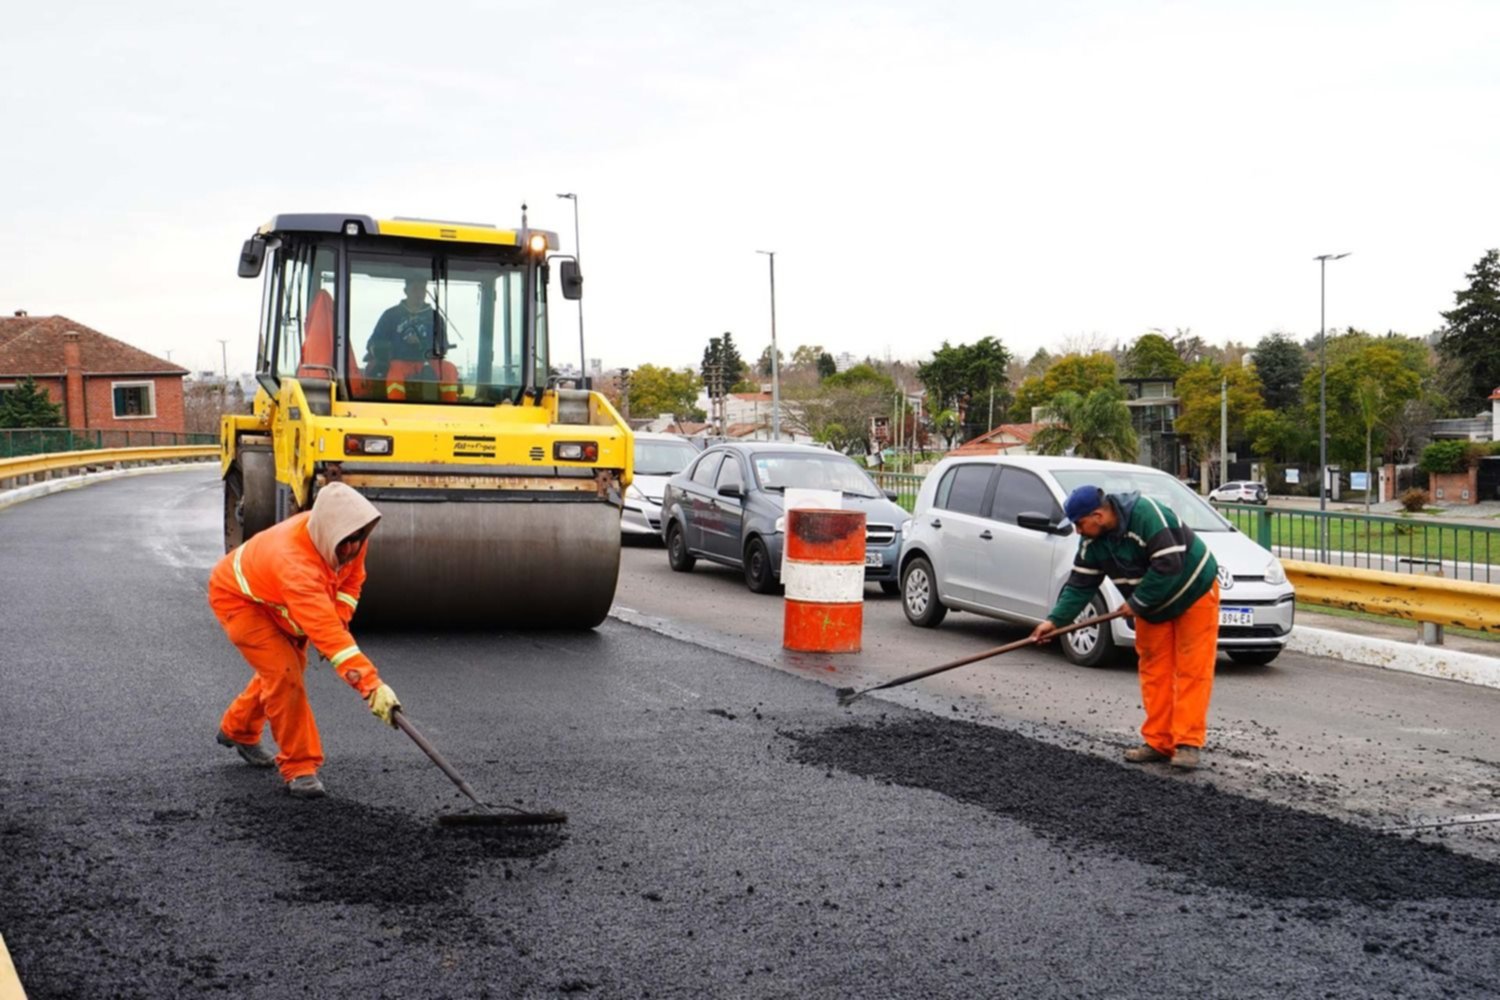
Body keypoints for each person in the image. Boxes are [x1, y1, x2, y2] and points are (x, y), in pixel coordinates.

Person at [209, 482, 401, 798]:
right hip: (240, 599)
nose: (354, 548)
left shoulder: (348, 533)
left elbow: (351, 584)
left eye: (359, 539)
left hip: (277, 596)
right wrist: (371, 686)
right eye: (348, 542)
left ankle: (238, 730)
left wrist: (339, 618)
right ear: (328, 533)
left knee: (285, 668)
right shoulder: (294, 561)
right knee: (285, 675)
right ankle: (300, 768)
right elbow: (326, 633)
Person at [1029, 484, 1220, 770]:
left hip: (1193, 591)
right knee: (1154, 669)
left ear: (1098, 515)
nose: (1078, 531)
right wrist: (1055, 621)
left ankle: (1188, 744)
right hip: (1151, 604)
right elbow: (1081, 585)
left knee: (1192, 668)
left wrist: (1139, 600)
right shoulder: (1092, 543)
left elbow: (1169, 563)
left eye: (1080, 524)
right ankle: (1159, 741)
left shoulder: (1147, 514)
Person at [364, 275, 445, 382]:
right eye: (415, 289)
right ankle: (395, 399)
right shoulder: (390, 315)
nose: (419, 294)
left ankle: (449, 399)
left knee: (448, 369)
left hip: (428, 363)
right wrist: (381, 350)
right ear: (406, 291)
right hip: (398, 362)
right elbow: (373, 342)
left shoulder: (435, 318)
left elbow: (443, 346)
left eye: (422, 289)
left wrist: (422, 343)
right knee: (396, 370)